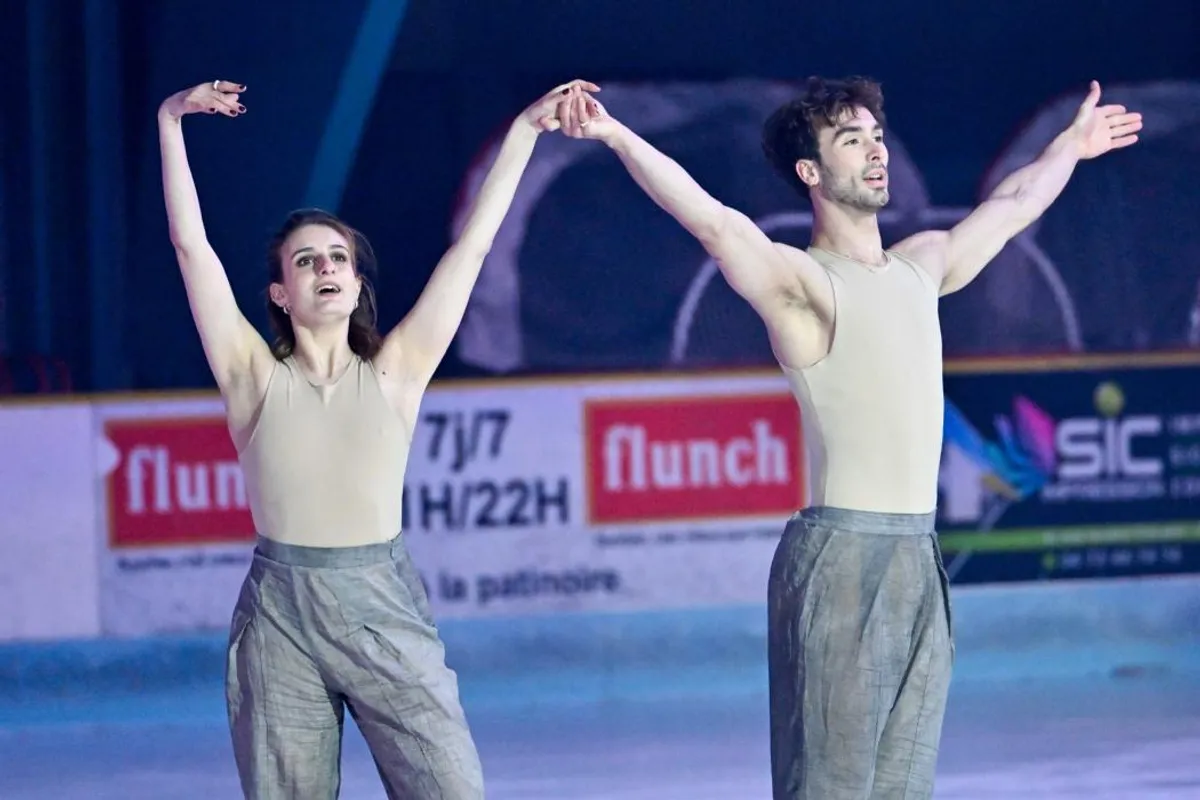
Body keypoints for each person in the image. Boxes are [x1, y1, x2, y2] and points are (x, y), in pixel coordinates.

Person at [556, 77, 1142, 798]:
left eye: (875, 134)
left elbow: (1013, 205)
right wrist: (615, 134)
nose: (875, 150)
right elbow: (713, 221)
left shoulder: (922, 266)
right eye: (849, 139)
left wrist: (1070, 148)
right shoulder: (803, 284)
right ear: (811, 172)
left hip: (920, 559)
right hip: (841, 561)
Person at [157, 76, 598, 799]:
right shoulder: (251, 378)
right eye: (305, 261)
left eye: (337, 258)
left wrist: (524, 128)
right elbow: (189, 246)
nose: (325, 268)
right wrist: (171, 119)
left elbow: (475, 248)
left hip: (381, 603)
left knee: (450, 786)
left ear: (357, 285)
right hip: (279, 616)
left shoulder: (397, 371)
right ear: (280, 294)